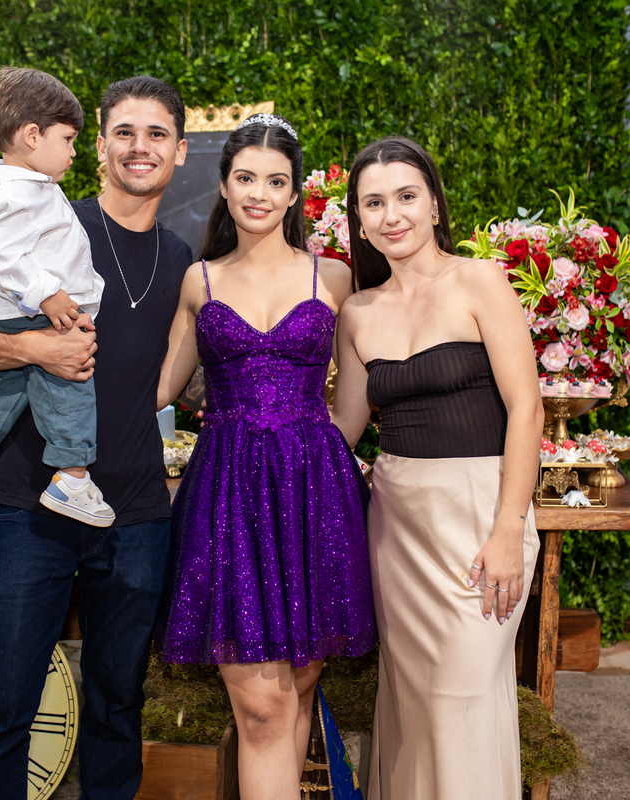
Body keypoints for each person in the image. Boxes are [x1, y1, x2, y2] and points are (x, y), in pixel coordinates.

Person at [0, 75, 191, 800]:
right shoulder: (48, 218)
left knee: (118, 705)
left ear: (179, 151)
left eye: (156, 134)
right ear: (100, 146)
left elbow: (173, 379)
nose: (140, 147)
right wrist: (36, 350)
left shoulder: (184, 260)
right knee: (1, 708)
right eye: (124, 132)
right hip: (28, 504)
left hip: (135, 512)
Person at [156, 114, 375, 800]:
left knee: (300, 686)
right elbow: (158, 388)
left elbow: (356, 404)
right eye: (246, 178)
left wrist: (314, 461)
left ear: (294, 194)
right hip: (226, 497)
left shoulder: (334, 278)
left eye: (275, 181)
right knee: (261, 707)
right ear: (224, 185)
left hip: (314, 494)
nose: (259, 193)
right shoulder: (199, 281)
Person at [330, 137, 543, 799]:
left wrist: (509, 528)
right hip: (398, 525)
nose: (391, 214)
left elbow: (527, 407)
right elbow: (344, 428)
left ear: (434, 204)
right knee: (415, 703)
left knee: (462, 700)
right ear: (358, 218)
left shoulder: (480, 281)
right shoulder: (357, 312)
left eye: (406, 196)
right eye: (374, 202)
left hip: (483, 516)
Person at [0, 66, 115, 527]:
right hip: (31, 313)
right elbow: (6, 255)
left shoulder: (23, 189)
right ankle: (73, 477)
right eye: (68, 139)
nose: (74, 152)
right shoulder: (19, 195)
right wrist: (49, 295)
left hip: (9, 313)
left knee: (3, 390)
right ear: (33, 135)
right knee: (71, 383)